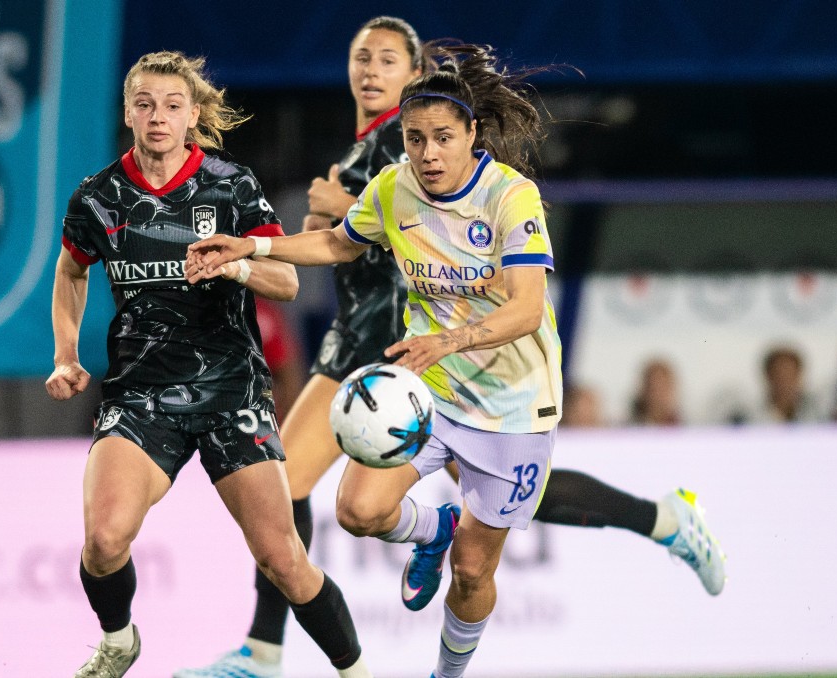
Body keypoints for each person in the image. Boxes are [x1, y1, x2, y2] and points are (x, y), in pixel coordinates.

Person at [185, 41, 726, 678]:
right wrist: (249, 245)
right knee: (359, 511)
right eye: (414, 139)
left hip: (513, 404)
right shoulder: (394, 186)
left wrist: (449, 339)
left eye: (442, 137)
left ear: (472, 132)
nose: (428, 153)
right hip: (432, 391)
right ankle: (430, 531)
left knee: (474, 572)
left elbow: (526, 309)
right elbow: (337, 242)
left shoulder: (510, 197)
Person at [46, 51, 370, 678]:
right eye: (144, 104)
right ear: (128, 112)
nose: (158, 117)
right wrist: (65, 353)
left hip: (230, 389)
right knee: (105, 541)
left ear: (192, 114)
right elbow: (70, 269)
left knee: (284, 558)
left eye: (171, 106)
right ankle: (119, 640)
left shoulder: (230, 185)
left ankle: (355, 670)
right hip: (141, 394)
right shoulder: (99, 197)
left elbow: (287, 283)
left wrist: (237, 264)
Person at [628, 358, 682, 426]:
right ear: (643, 389)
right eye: (653, 388)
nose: (657, 394)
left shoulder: (685, 428)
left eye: (662, 387)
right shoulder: (629, 429)